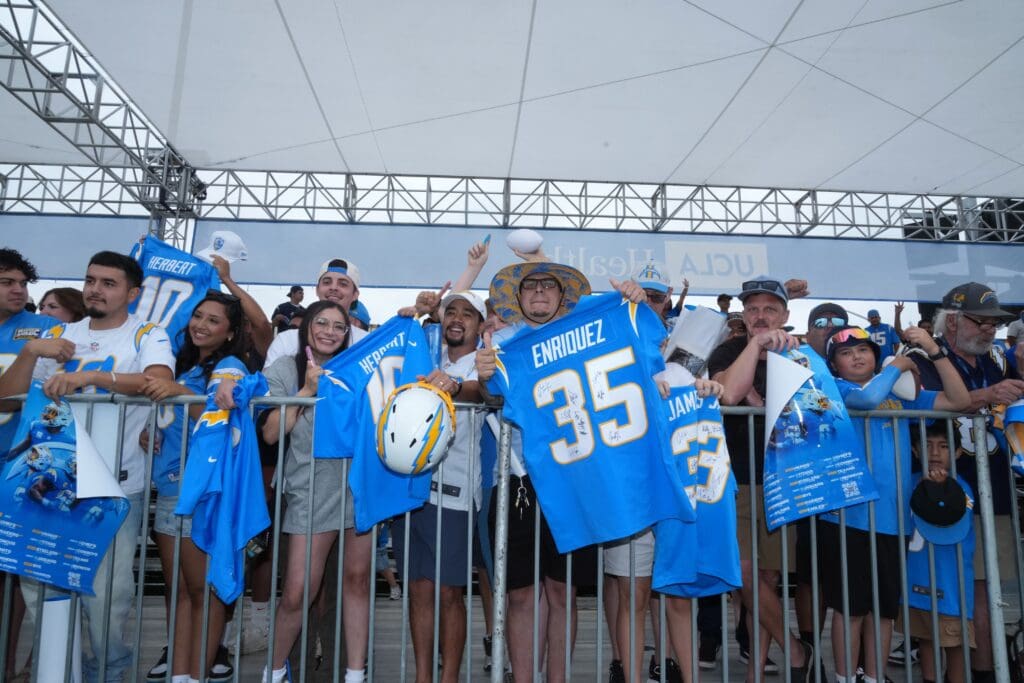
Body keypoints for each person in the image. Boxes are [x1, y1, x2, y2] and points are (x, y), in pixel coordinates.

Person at [0, 250, 175, 683]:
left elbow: (158, 382)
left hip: (115, 487)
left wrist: (91, 378)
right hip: (47, 486)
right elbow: (5, 400)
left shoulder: (148, 334)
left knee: (106, 602)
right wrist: (30, 353)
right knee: (41, 595)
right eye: (91, 279)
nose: (95, 288)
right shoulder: (59, 332)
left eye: (109, 283)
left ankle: (107, 674)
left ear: (132, 293)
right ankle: (59, 672)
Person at [476, 260, 646, 683]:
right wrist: (482, 377)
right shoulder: (503, 343)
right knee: (521, 597)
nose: (538, 293)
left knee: (562, 592)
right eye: (529, 287)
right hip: (518, 483)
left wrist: (635, 307)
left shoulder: (585, 337)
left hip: (575, 483)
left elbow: (634, 352)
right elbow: (487, 394)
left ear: (561, 296)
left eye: (546, 287)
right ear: (518, 298)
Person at [821, 324, 969, 683]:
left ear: (875, 355)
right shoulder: (835, 389)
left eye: (863, 349)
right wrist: (899, 365)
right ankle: (844, 677)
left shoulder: (901, 393)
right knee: (850, 608)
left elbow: (960, 401)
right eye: (845, 352)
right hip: (847, 517)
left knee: (884, 612)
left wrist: (933, 350)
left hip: (894, 520)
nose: (856, 356)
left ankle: (874, 677)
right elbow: (867, 400)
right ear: (835, 365)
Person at [908, 282, 1024, 683]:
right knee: (943, 591)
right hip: (944, 496)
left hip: (995, 491)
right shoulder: (922, 356)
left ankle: (985, 673)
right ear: (953, 321)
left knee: (986, 589)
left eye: (995, 323)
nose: (991, 330)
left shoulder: (995, 358)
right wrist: (988, 394)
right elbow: (929, 404)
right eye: (982, 322)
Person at [707, 276, 814, 682]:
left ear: (785, 315)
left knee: (766, 578)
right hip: (736, 476)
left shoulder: (800, 353)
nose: (761, 316)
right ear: (743, 315)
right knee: (744, 573)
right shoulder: (730, 348)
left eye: (770, 309)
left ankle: (754, 670)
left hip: (783, 478)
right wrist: (754, 346)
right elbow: (730, 396)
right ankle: (796, 651)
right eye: (753, 309)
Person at [140, 291, 249, 683]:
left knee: (204, 591)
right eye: (198, 316)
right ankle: (181, 674)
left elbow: (220, 416)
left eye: (213, 320)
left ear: (230, 332)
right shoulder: (184, 365)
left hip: (205, 493)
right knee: (180, 592)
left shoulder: (230, 366)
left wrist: (182, 394)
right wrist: (150, 431)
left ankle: (197, 674)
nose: (201, 324)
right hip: (171, 490)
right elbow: (174, 416)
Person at [261, 300, 362, 683]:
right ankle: (272, 670)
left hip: (356, 487)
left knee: (357, 582)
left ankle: (355, 673)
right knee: (298, 592)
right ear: (306, 327)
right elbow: (271, 432)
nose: (330, 332)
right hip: (308, 488)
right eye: (322, 323)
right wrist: (305, 390)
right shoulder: (285, 368)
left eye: (339, 327)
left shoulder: (356, 368)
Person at [394, 291, 484, 683]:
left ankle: (449, 677)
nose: (458, 318)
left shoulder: (485, 361)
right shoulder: (428, 356)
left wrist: (452, 385)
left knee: (449, 592)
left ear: (481, 325)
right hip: (412, 488)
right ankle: (423, 676)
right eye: (452, 311)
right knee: (418, 589)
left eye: (468, 313)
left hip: (458, 492)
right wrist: (414, 312)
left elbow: (481, 390)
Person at [0, 248, 60, 681]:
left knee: (12, 581)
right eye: (7, 282)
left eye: (23, 282)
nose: (19, 290)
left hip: (20, 470)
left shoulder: (45, 329)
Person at [904, 422, 976, 683]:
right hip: (917, 580)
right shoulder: (908, 484)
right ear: (915, 450)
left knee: (956, 642)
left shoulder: (962, 488)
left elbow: (953, 514)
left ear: (958, 452)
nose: (935, 452)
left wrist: (939, 489)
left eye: (944, 446)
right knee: (926, 639)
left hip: (952, 583)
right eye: (927, 445)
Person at [264, 259, 366, 368]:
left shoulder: (366, 343)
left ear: (355, 294)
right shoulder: (286, 340)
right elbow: (268, 383)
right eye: (327, 282)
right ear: (317, 290)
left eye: (343, 284)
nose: (334, 287)